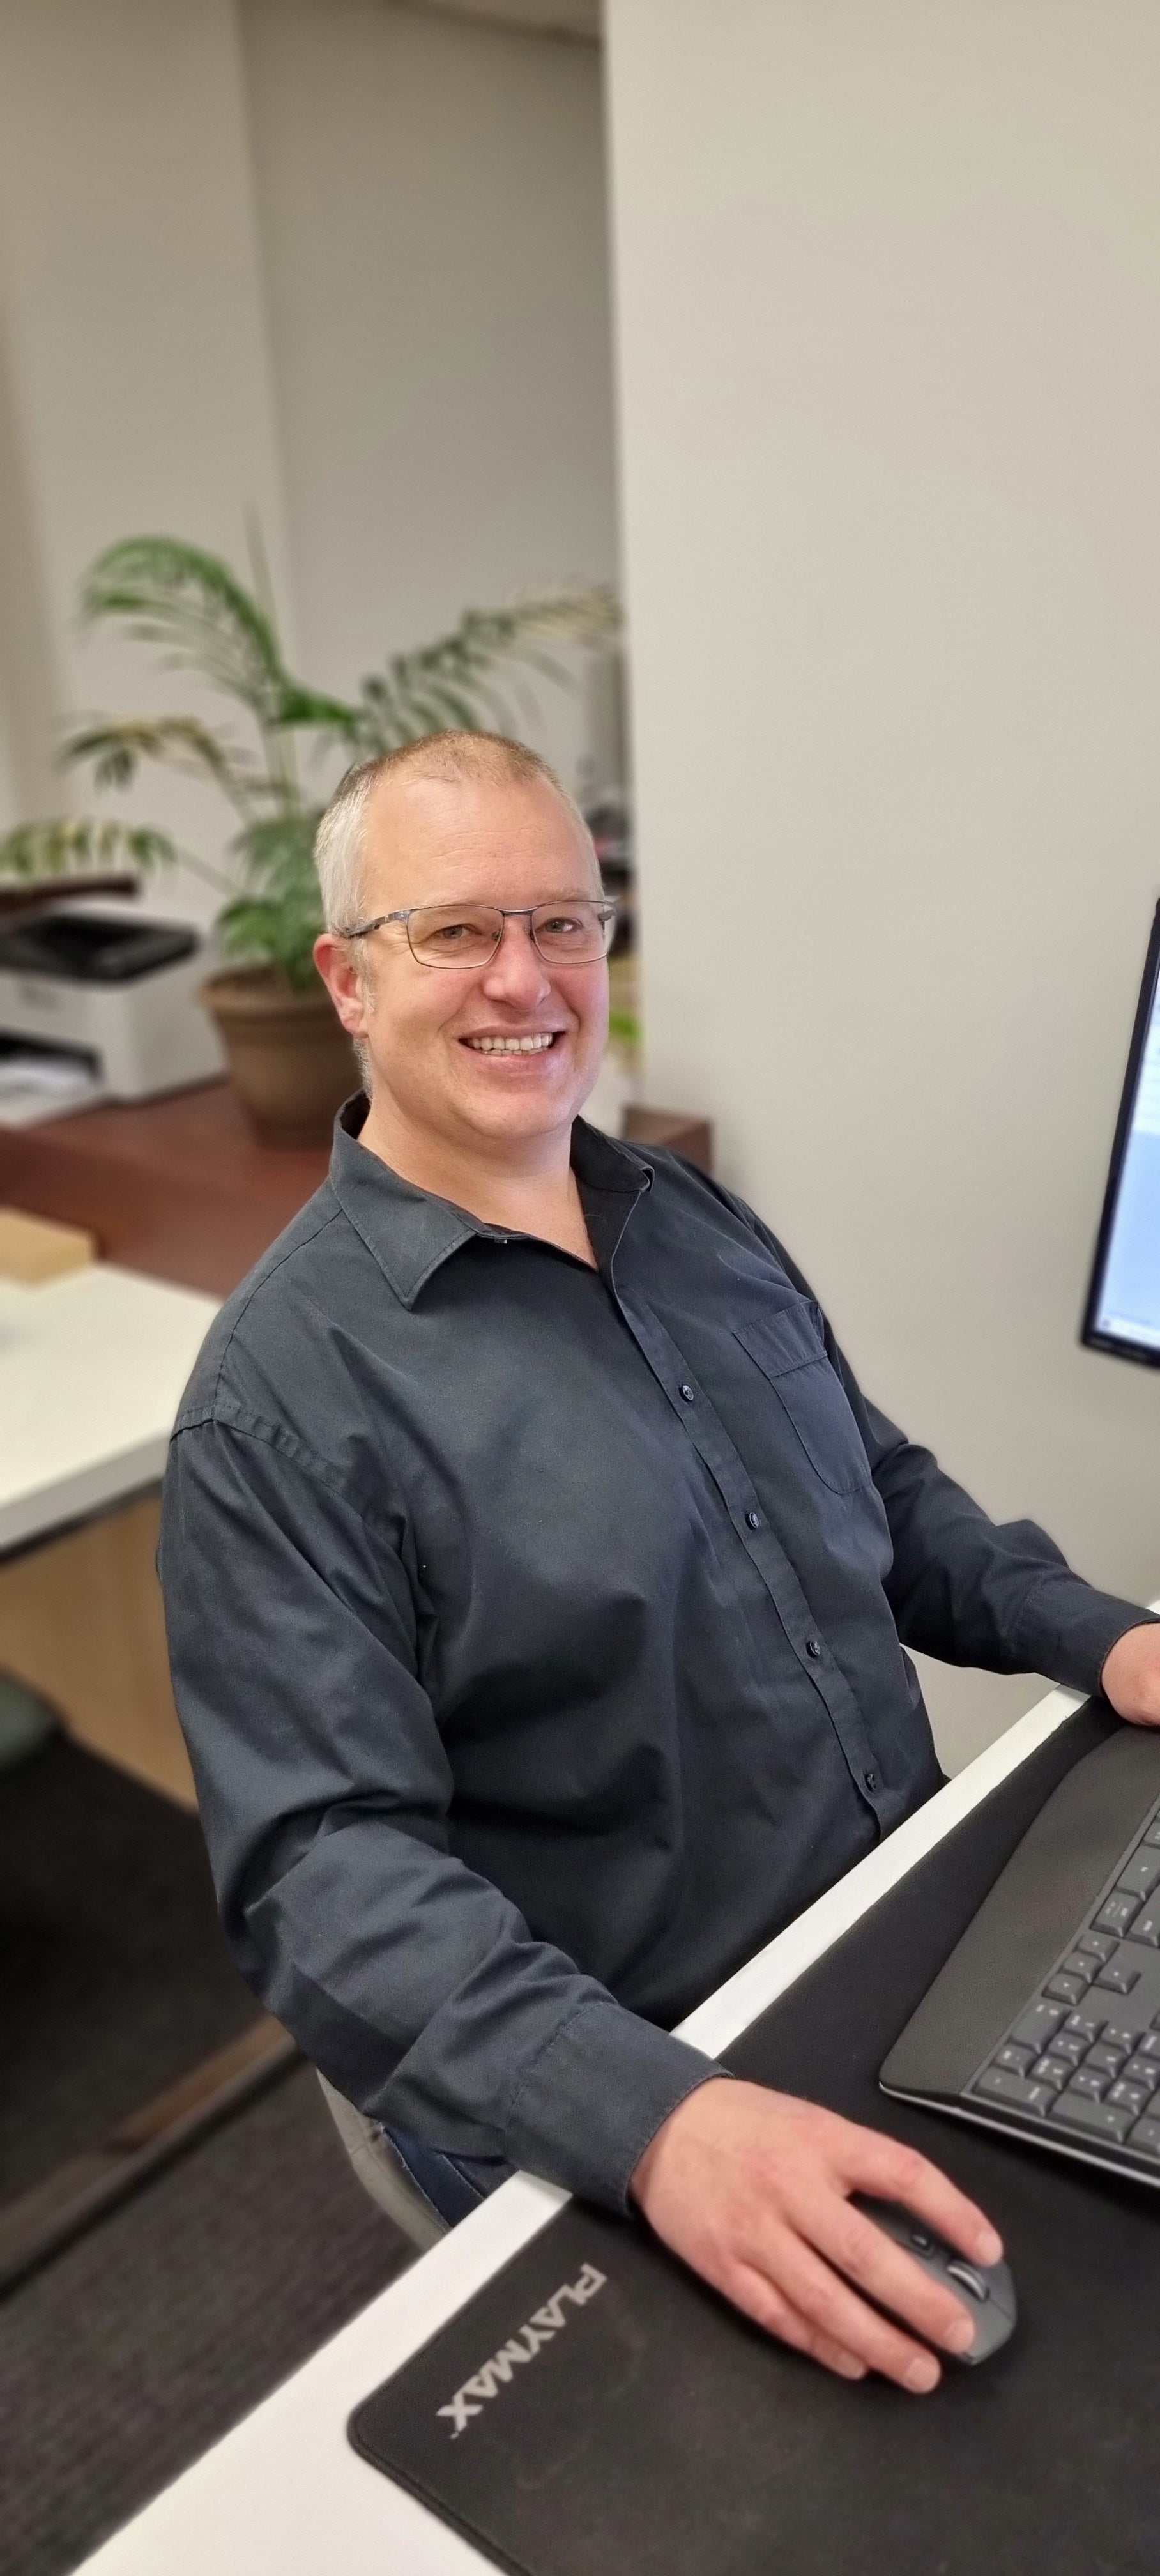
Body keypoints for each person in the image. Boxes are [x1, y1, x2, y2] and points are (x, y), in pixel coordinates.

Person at [159, 731, 1160, 2398]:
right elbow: (325, 1884)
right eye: (455, 930)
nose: (525, 978)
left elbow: (886, 1496)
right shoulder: (279, 1409)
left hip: (889, 1936)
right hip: (639, 2060)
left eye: (565, 922)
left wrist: (1105, 1640)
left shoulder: (686, 1220)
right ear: (345, 978)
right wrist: (659, 2122)